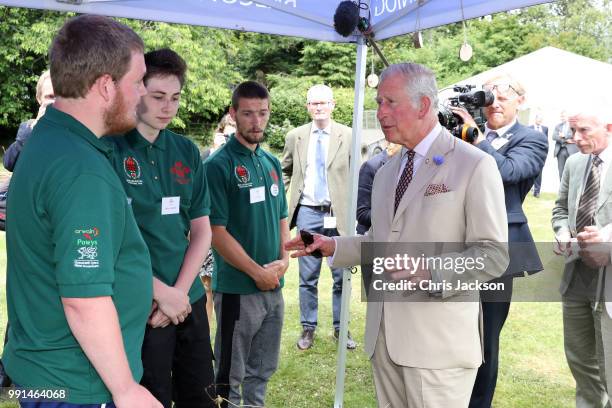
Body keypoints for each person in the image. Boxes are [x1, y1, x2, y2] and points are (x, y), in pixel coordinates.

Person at [286, 62, 509, 407]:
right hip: (385, 340)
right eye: (378, 103)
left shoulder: (474, 165)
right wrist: (331, 245)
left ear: (422, 105)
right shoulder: (387, 171)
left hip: (437, 349)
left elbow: (493, 255)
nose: (380, 113)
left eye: (389, 102)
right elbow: (380, 243)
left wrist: (431, 271)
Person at [2, 14, 161, 407]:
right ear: (106, 86)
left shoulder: (50, 139)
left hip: (46, 373)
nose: (142, 93)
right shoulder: (80, 170)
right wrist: (126, 389)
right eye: (138, 81)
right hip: (77, 385)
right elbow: (83, 300)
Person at [107, 48, 215, 408]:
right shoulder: (110, 151)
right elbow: (108, 244)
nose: (168, 107)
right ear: (137, 90)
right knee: (150, 397)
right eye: (158, 97)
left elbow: (202, 230)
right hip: (139, 306)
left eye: (175, 98)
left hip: (188, 302)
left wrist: (179, 294)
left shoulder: (186, 151)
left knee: (200, 395)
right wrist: (160, 294)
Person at [453, 73, 548, 408]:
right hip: (455, 241)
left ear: (520, 101)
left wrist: (478, 139)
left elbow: (507, 172)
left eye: (501, 99)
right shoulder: (465, 134)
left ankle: (478, 403)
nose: (492, 106)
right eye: (488, 99)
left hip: (499, 249)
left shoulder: (532, 139)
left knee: (485, 336)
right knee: (452, 324)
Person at [204, 81, 289, 408]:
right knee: (229, 375)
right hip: (239, 290)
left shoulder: (269, 163)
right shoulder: (218, 166)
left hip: (273, 287)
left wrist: (284, 260)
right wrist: (257, 272)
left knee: (262, 370)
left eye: (263, 113)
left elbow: (282, 216)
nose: (257, 121)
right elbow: (216, 232)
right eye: (248, 114)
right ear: (233, 114)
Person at [281, 84, 355, 350]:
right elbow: (285, 171)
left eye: (323, 103)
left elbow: (358, 175)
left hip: (337, 215)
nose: (319, 107)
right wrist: (281, 201)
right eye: (314, 103)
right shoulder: (295, 136)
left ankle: (341, 328)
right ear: (308, 107)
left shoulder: (349, 135)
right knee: (307, 277)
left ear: (333, 105)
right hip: (309, 213)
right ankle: (308, 328)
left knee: (341, 276)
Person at [552, 106, 612, 408]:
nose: (574, 138)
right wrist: (563, 233)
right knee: (579, 357)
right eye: (572, 130)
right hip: (577, 273)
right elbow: (561, 208)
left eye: (583, 130)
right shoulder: (575, 163)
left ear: (609, 127)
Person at [3, 70, 55, 171]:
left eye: (62, 96)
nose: (56, 102)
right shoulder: (28, 128)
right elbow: (9, 163)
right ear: (39, 99)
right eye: (50, 96)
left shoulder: (80, 129)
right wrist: (33, 129)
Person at [356, 142, 400, 234]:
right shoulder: (371, 166)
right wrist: (395, 216)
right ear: (388, 143)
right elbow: (362, 213)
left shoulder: (409, 165)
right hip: (372, 236)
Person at [554, 110, 579, 180]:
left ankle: (570, 189)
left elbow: (573, 135)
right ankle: (562, 189)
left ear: (568, 116)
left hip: (571, 151)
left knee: (571, 170)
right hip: (560, 151)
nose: (562, 118)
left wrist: (563, 135)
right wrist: (566, 140)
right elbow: (554, 136)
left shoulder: (573, 125)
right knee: (561, 171)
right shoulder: (558, 126)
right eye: (561, 116)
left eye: (563, 116)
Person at [529, 113, 549, 197]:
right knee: (529, 171)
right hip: (530, 153)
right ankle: (528, 189)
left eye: (541, 119)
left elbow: (546, 141)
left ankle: (537, 192)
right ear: (535, 119)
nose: (540, 120)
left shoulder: (545, 129)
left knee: (539, 173)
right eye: (538, 118)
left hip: (540, 154)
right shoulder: (529, 128)